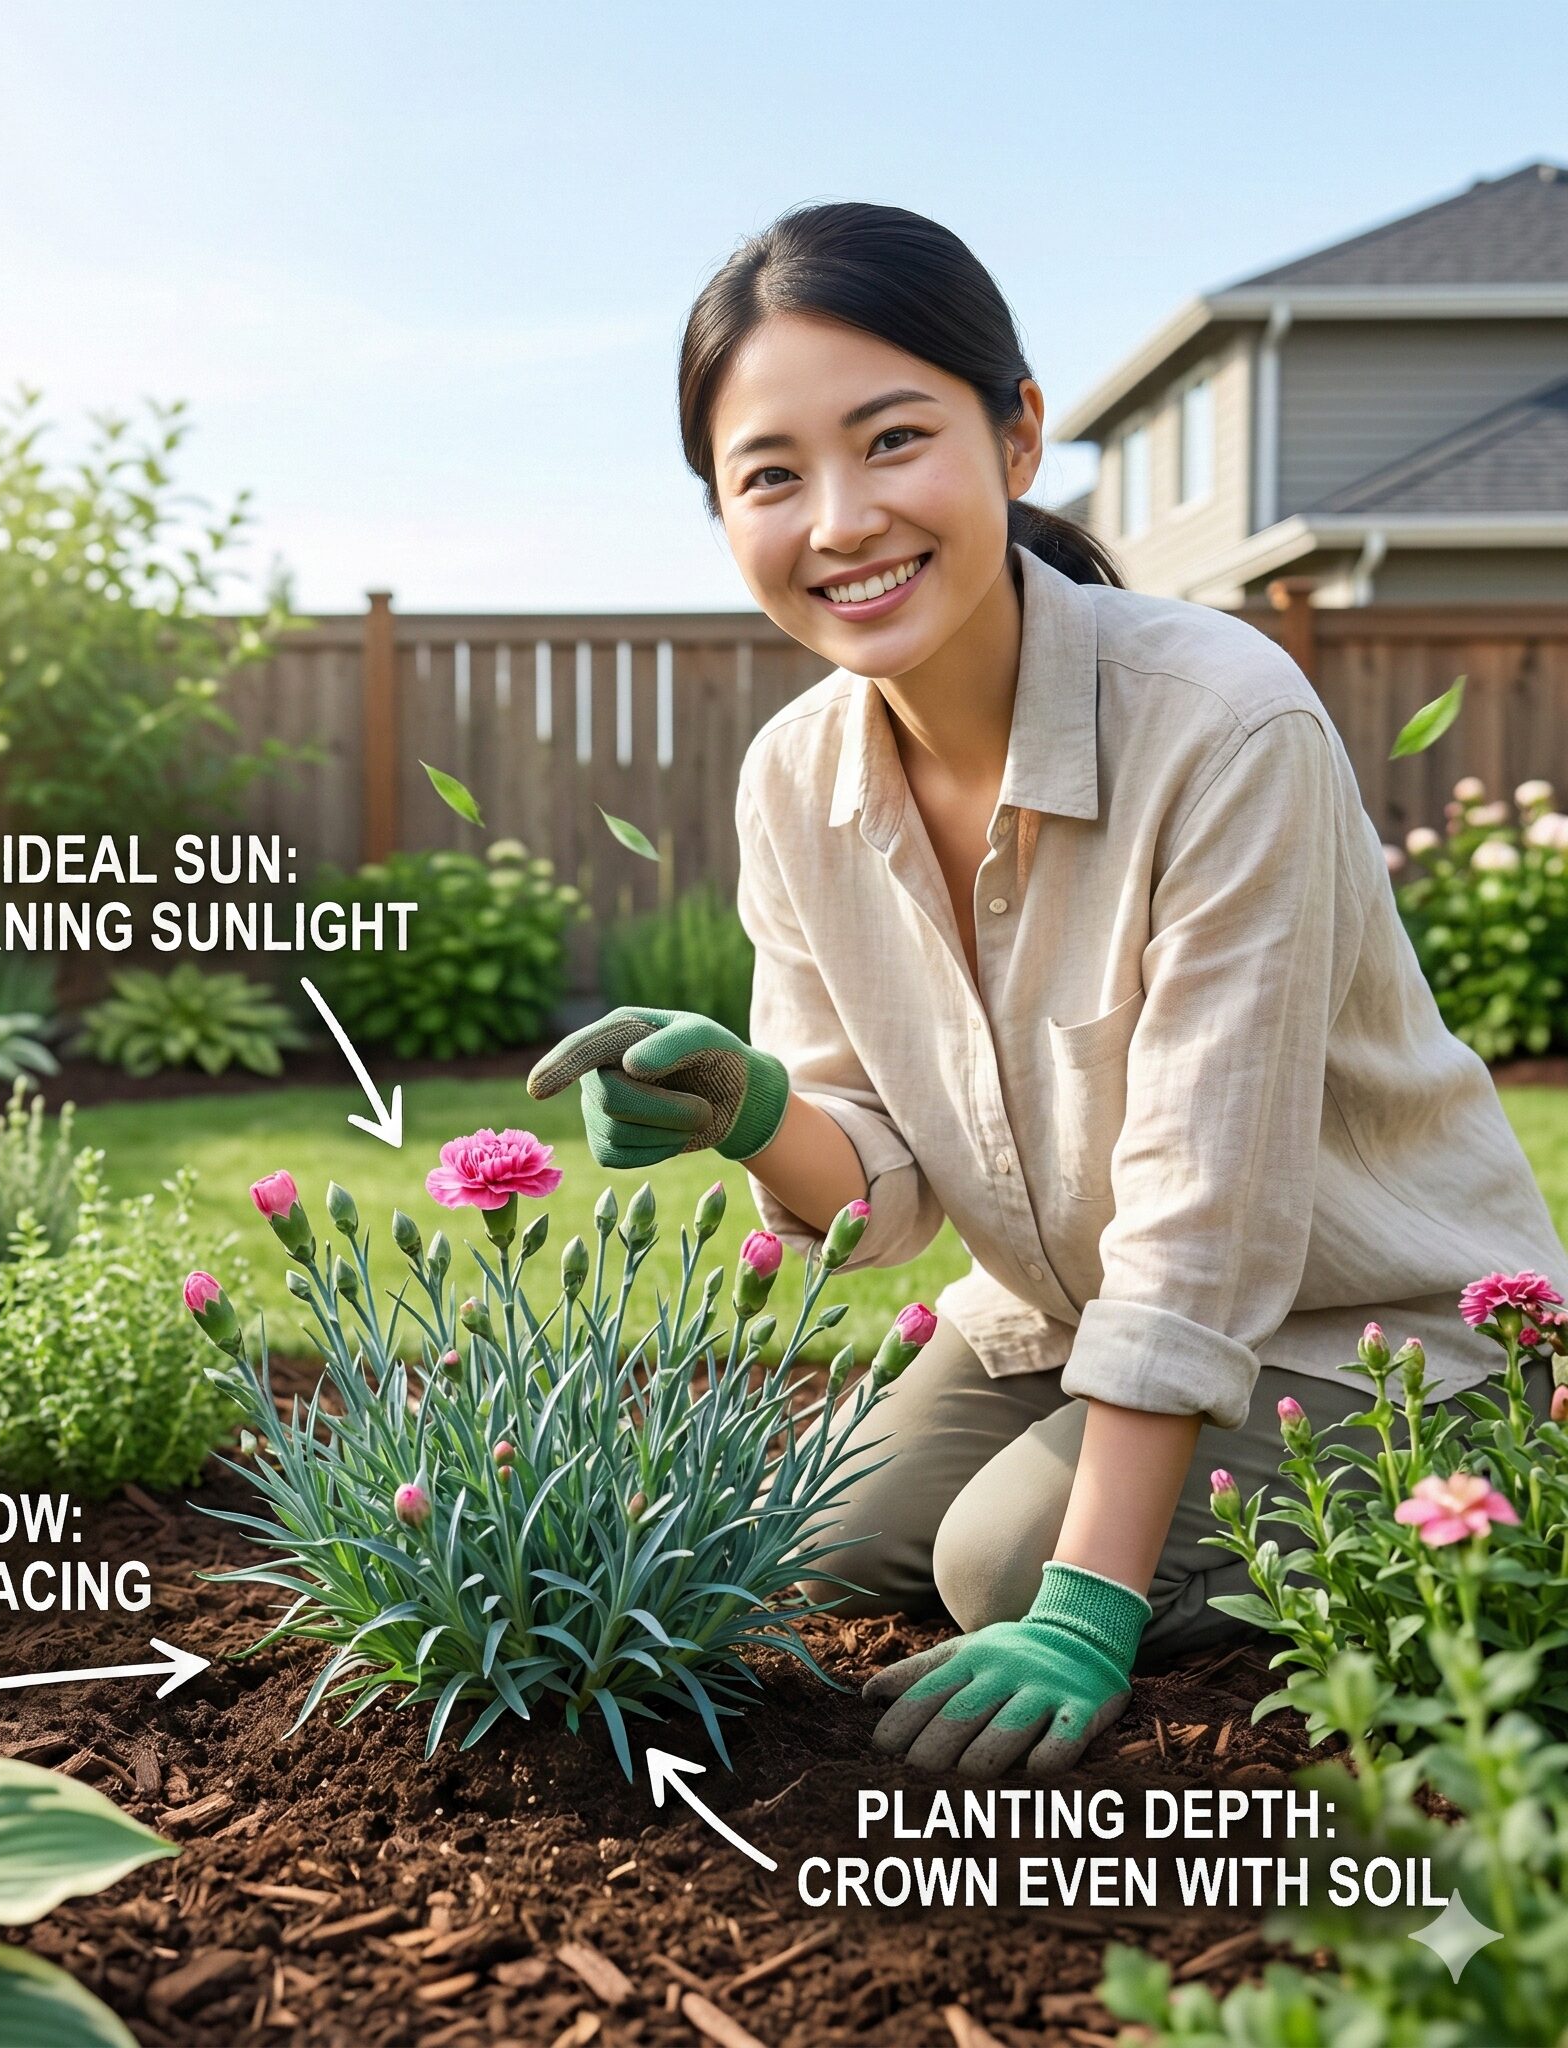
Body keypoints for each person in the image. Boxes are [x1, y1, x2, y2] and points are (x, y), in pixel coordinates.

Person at [527, 202, 1568, 1778]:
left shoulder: (1220, 723)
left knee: (1002, 1567)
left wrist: (1086, 1599)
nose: (841, 519)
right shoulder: (794, 779)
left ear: (1017, 435)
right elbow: (880, 1189)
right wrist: (748, 1109)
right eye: (771, 476)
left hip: (1381, 1326)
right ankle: (1089, 1492)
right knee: (797, 1541)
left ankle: (1509, 1481)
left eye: (893, 440)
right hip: (1052, 1309)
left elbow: (1203, 1207)